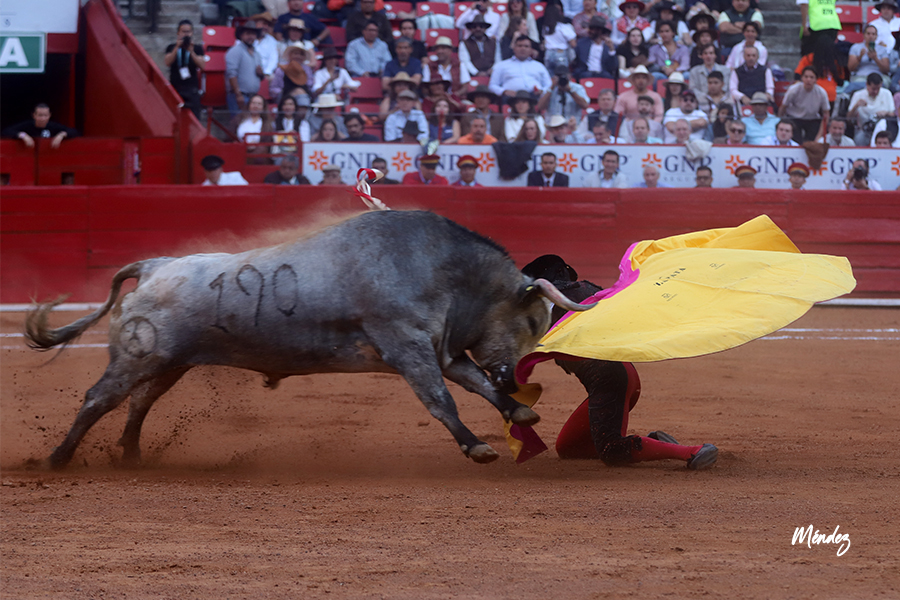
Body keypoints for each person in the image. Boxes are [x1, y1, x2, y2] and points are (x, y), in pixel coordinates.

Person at [521, 254, 718, 470]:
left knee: (612, 449)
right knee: (569, 448)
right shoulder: (593, 292)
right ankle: (655, 444)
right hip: (622, 374)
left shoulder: (543, 308)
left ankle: (692, 452)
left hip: (610, 380)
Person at [489, 36, 553, 100]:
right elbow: (492, 85)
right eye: (520, 46)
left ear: (531, 49)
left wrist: (542, 91)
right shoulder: (502, 65)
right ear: (514, 48)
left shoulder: (539, 66)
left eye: (526, 46)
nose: (523, 48)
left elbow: (549, 85)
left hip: (534, 98)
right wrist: (504, 91)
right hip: (510, 99)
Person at [163, 20, 205, 118]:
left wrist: (191, 52)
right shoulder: (171, 47)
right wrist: (177, 47)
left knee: (194, 116)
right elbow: (167, 62)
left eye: (188, 32)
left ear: (192, 33)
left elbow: (202, 65)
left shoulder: (197, 48)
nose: (186, 34)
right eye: (183, 31)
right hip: (176, 87)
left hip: (191, 88)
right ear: (178, 32)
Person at [777, 66, 829, 143]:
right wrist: (780, 121)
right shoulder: (793, 90)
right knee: (796, 141)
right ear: (802, 78)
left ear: (816, 79)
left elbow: (826, 114)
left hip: (812, 119)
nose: (808, 80)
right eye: (806, 77)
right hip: (794, 118)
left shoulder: (821, 92)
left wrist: (819, 136)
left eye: (811, 77)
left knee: (811, 143)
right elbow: (783, 107)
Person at [538, 65, 592, 132]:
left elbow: (585, 105)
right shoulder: (549, 89)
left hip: (572, 127)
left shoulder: (577, 88)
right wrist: (551, 88)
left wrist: (570, 91)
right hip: (553, 128)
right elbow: (540, 107)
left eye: (564, 76)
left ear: (569, 76)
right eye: (559, 76)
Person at [225, 23, 264, 115]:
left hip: (253, 97)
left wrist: (261, 74)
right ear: (241, 35)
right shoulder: (235, 51)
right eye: (248, 34)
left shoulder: (257, 54)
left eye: (253, 34)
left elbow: (261, 77)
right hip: (239, 96)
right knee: (238, 121)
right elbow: (231, 74)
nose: (251, 36)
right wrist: (238, 95)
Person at [793, 35, 844, 105]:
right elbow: (841, 81)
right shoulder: (836, 61)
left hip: (812, 95)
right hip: (830, 96)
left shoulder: (808, 58)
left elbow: (797, 75)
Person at [2, 103, 79, 148]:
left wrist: (61, 135)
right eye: (40, 115)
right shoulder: (27, 125)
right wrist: (23, 135)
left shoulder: (53, 126)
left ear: (49, 115)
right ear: (34, 115)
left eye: (45, 115)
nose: (43, 118)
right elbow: (6, 131)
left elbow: (74, 131)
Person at [848, 73, 896, 146]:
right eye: (873, 89)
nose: (876, 92)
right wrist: (856, 106)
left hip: (883, 131)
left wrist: (886, 113)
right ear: (867, 84)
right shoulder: (858, 95)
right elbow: (848, 118)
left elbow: (893, 115)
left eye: (878, 89)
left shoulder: (887, 93)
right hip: (864, 130)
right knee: (859, 139)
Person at [845, 25, 891, 96]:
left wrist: (875, 58)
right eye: (868, 34)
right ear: (864, 35)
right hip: (861, 77)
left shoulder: (882, 49)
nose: (871, 36)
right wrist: (859, 57)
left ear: (876, 36)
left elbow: (886, 69)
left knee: (883, 84)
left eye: (873, 34)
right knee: (853, 86)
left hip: (878, 77)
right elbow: (850, 68)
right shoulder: (855, 47)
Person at [574, 16, 619, 80]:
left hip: (603, 74)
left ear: (599, 30)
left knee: (607, 76)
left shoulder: (609, 45)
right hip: (586, 73)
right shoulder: (581, 43)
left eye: (592, 29)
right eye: (590, 28)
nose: (589, 31)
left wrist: (611, 49)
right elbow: (575, 61)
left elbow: (613, 67)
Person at [542, 3, 579, 72]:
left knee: (550, 75)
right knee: (562, 75)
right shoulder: (563, 27)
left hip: (548, 54)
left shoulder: (545, 28)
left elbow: (544, 42)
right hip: (560, 53)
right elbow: (573, 44)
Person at [251, 12, 280, 80]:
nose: (266, 27)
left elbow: (273, 59)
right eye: (264, 24)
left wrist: (266, 73)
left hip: (265, 74)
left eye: (268, 25)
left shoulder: (272, 41)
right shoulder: (246, 38)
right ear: (255, 23)